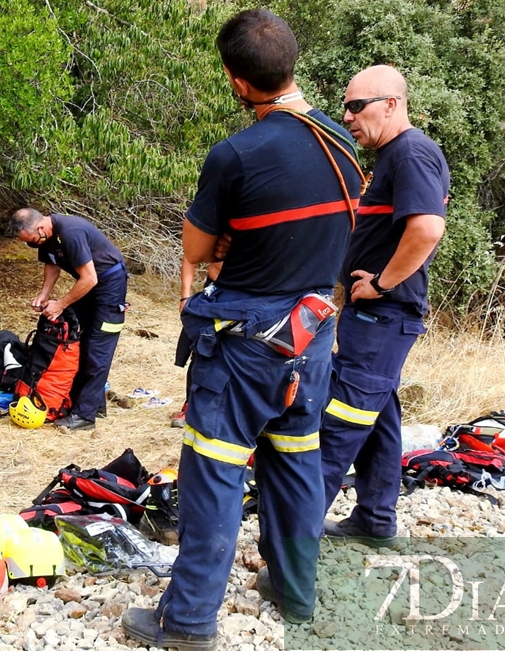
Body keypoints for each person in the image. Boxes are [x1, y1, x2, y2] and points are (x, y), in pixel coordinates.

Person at [122, 9, 362, 647]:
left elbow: (197, 248)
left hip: (244, 343)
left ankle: (189, 619)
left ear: (236, 79)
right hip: (310, 335)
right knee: (295, 462)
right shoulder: (342, 142)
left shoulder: (235, 154)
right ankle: (294, 591)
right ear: (291, 65)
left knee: (215, 472)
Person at [320, 65, 449, 546]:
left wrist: (381, 283)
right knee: (379, 421)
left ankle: (291, 550)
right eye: (346, 107)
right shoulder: (396, 155)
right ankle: (375, 519)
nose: (348, 117)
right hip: (373, 317)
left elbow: (427, 229)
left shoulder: (412, 151)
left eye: (357, 106)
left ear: (391, 104)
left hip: (383, 315)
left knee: (343, 421)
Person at [10, 208, 128, 431]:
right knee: (77, 341)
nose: (32, 246)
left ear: (40, 228)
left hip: (109, 285)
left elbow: (90, 278)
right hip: (89, 285)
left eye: (32, 241)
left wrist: (61, 303)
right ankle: (93, 404)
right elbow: (52, 263)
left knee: (97, 348)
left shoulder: (71, 232)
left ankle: (85, 417)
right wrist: (45, 294)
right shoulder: (45, 237)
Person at [171, 258, 221, 429]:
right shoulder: (220, 236)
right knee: (200, 350)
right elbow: (189, 257)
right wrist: (185, 296)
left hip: (246, 297)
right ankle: (189, 406)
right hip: (213, 295)